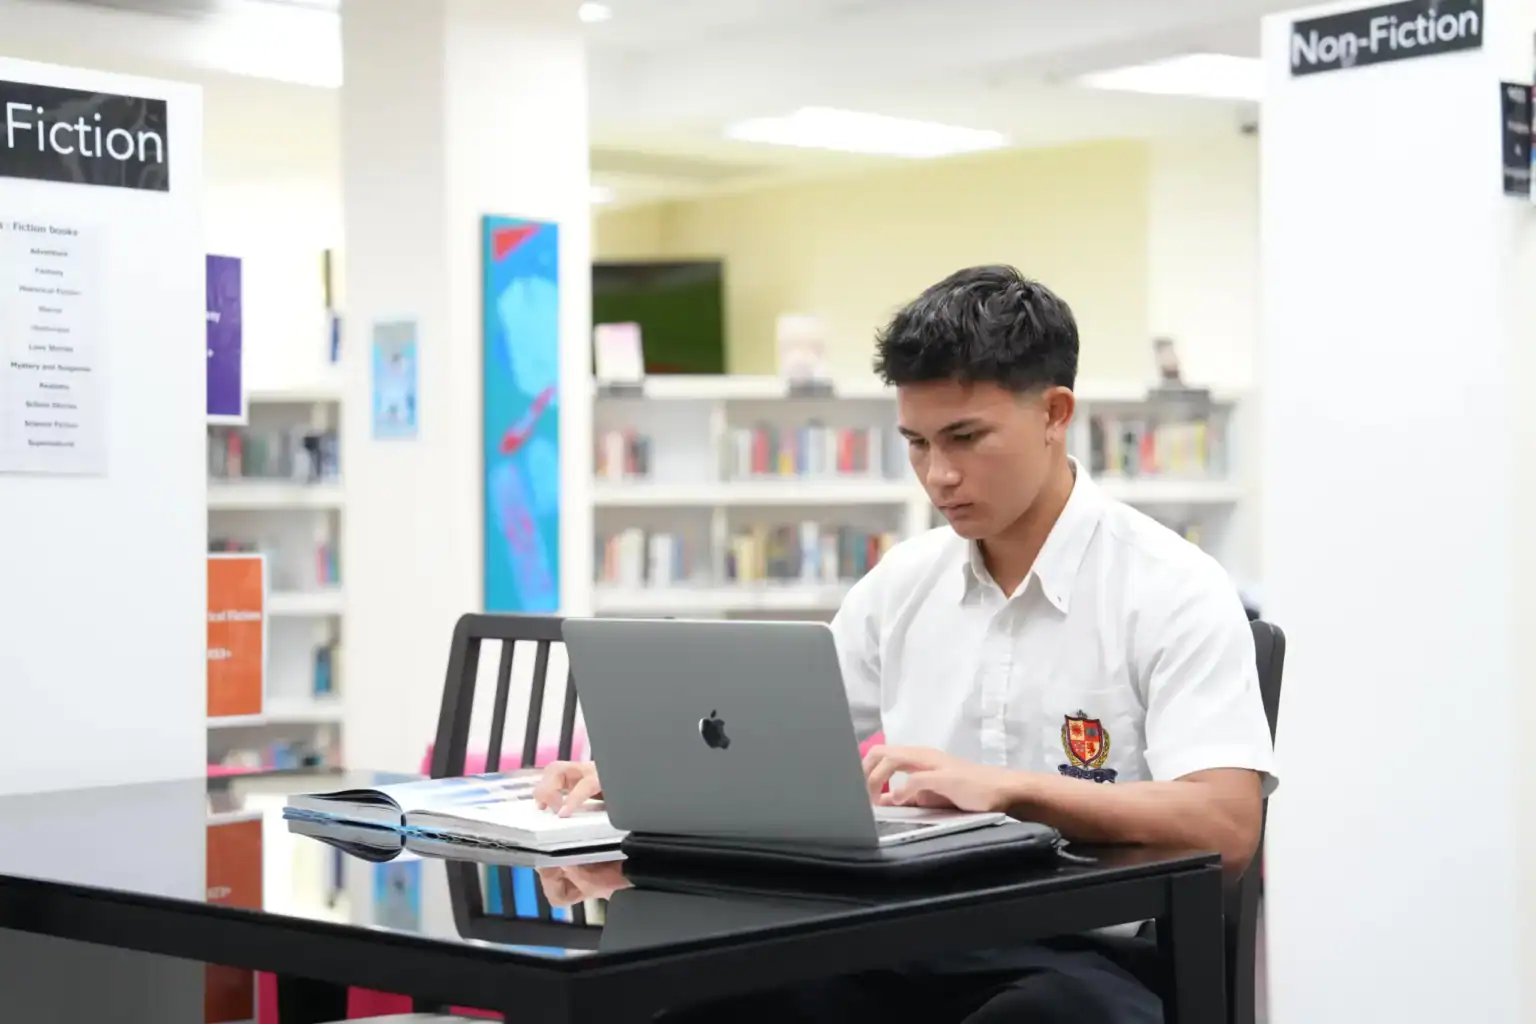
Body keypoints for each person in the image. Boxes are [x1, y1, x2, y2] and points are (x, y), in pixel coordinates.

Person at [534, 265, 1277, 1023]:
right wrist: (640, 775)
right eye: (916, 443)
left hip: (1090, 957)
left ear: (1055, 413)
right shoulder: (903, 583)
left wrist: (1011, 790)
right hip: (900, 940)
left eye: (966, 438)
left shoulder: (1171, 586)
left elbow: (1225, 825)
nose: (939, 475)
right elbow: (778, 740)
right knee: (695, 999)